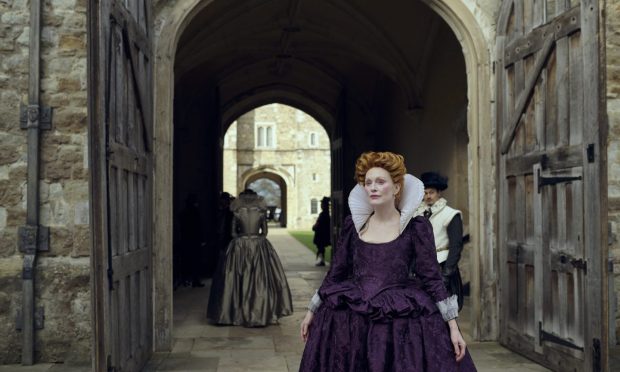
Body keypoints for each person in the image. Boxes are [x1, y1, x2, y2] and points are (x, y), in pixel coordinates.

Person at [299, 151, 476, 371]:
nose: (372, 187)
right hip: (353, 319)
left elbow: (431, 278)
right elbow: (336, 272)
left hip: (398, 319)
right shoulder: (353, 227)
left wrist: (453, 327)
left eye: (380, 182)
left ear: (396, 188)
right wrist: (311, 311)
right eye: (368, 182)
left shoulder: (415, 228)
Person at [207, 188, 293, 327]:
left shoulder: (237, 211)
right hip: (258, 244)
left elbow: (233, 233)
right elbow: (264, 232)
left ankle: (233, 314)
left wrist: (242, 241)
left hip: (239, 245)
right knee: (261, 278)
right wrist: (255, 240)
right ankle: (258, 313)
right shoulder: (260, 212)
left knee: (233, 279)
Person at [415, 172, 465, 311]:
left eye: (431, 192)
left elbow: (456, 246)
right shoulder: (417, 214)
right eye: (425, 193)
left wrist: (447, 274)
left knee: (445, 312)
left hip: (442, 267)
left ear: (439, 193)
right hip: (421, 268)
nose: (428, 196)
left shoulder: (450, 214)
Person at [179, 194, 204, 287]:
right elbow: (199, 227)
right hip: (195, 240)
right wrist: (202, 239)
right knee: (196, 261)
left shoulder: (183, 213)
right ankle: (195, 280)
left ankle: (185, 280)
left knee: (186, 261)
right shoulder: (195, 213)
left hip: (186, 240)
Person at [312, 197, 331, 266]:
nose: (321, 205)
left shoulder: (323, 214)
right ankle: (321, 260)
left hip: (321, 235)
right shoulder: (325, 214)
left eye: (322, 204)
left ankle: (321, 261)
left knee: (321, 248)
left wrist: (314, 227)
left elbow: (319, 224)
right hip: (322, 234)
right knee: (321, 248)